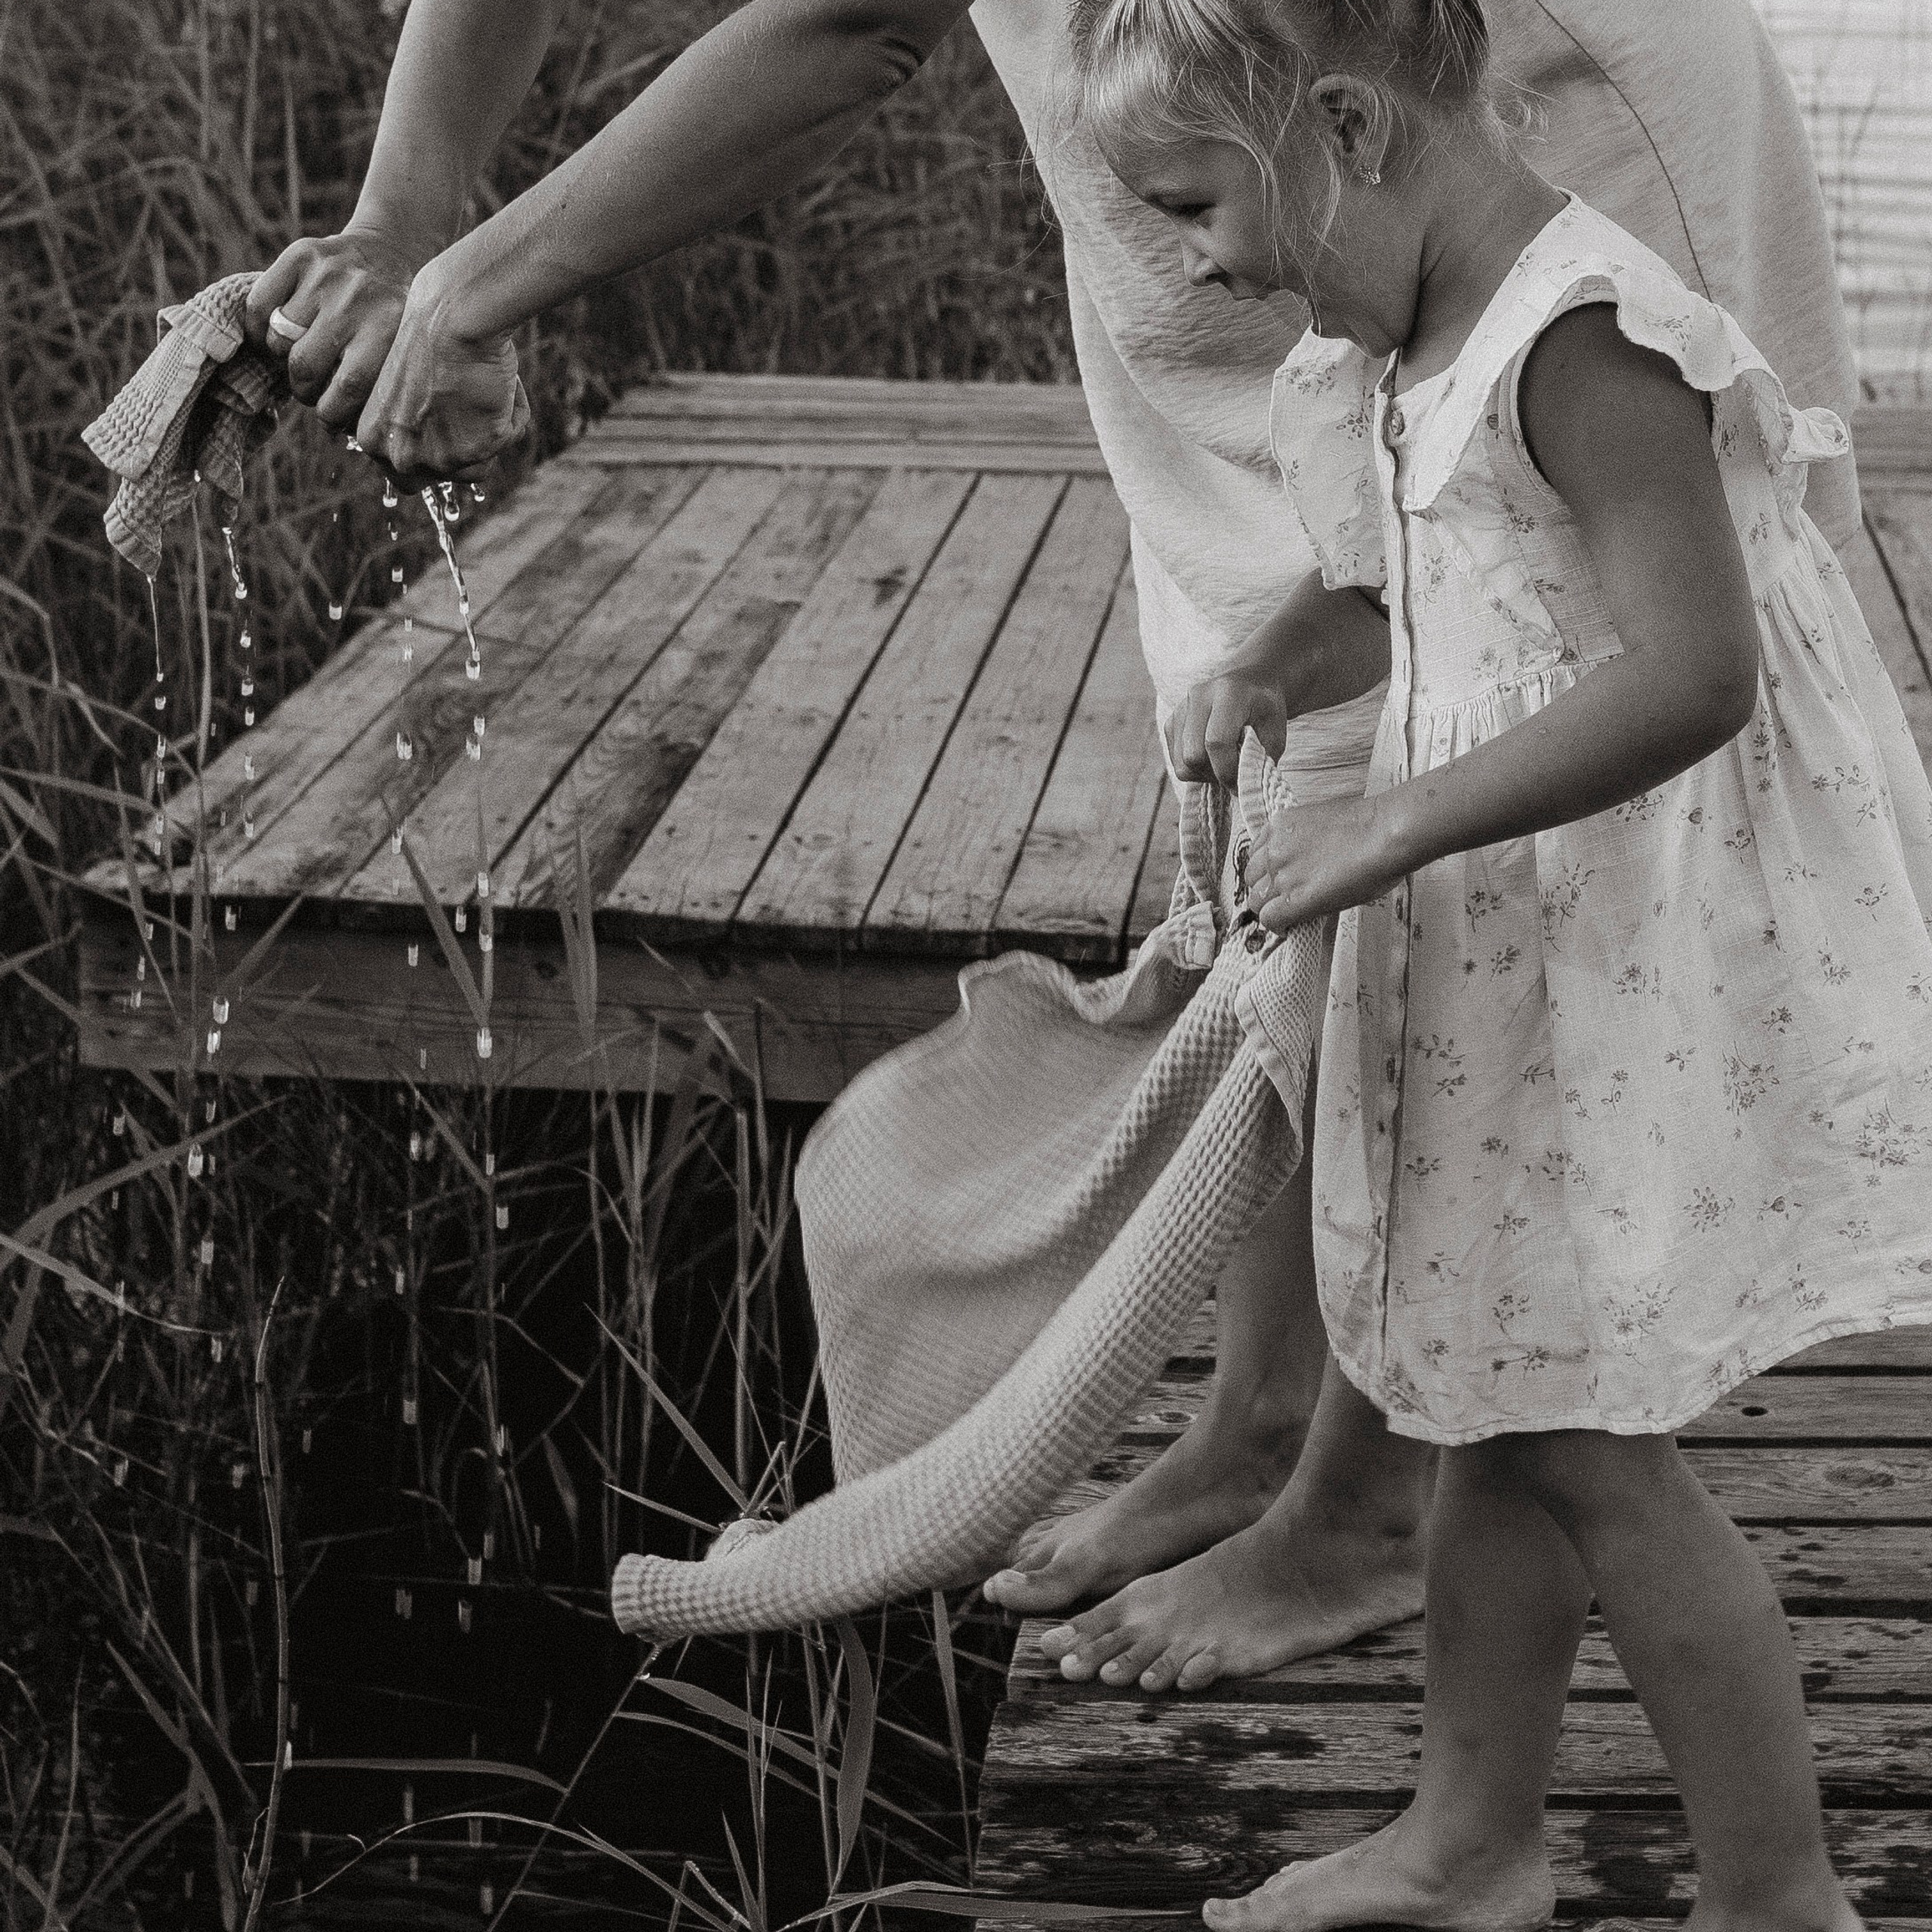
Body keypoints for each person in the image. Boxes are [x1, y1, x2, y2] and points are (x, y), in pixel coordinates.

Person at [248, 0, 1864, 1695]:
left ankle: (1373, 1496)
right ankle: (1267, 1417)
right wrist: (401, 215)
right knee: (1283, 691)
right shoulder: (1230, 205)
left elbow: (849, 23)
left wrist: (469, 284)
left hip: (1462, 80)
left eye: (1185, 224)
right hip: (1216, 101)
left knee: (1485, 853)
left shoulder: (1545, 285)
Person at [1059, 0, 1930, 1925]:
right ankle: (1470, 1839)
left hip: (1615, 957)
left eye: (1199, 202)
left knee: (1584, 1436)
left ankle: (1780, 1896)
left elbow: (1691, 670)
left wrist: (1386, 823)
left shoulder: (1584, 336)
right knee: (1486, 1390)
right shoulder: (1407, 337)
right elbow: (1414, 577)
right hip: (1515, 955)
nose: (1203, 261)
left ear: (1346, 127)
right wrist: (1266, 671)